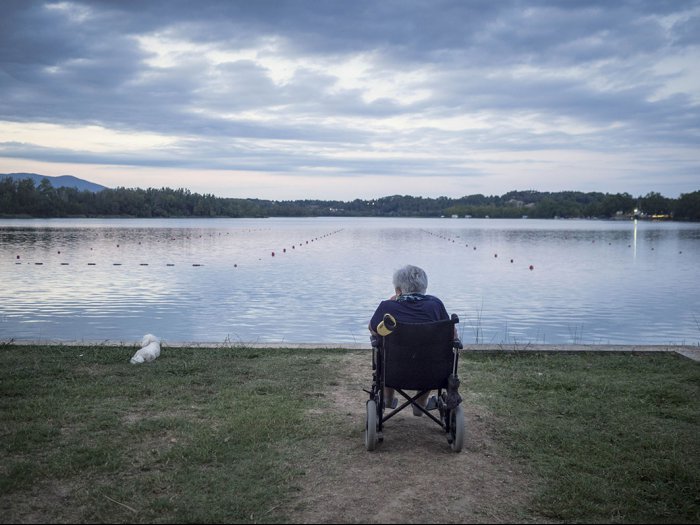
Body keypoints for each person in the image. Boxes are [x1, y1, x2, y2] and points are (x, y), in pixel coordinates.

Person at [368, 264, 450, 416]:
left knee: (387, 350)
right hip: (430, 372)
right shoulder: (436, 305)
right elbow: (451, 335)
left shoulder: (387, 307)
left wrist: (391, 302)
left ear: (398, 290)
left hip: (394, 371)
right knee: (428, 356)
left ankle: (388, 398)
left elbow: (373, 329)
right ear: (424, 288)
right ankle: (420, 404)